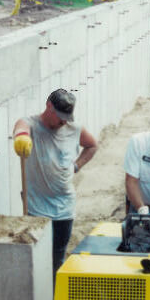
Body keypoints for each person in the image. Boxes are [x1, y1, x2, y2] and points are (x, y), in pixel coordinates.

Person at [13, 89, 97, 275]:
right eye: (60, 117)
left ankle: (52, 299)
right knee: (36, 258)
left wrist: (76, 166)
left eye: (67, 117)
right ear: (49, 106)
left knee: (57, 259)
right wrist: (22, 138)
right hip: (36, 208)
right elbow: (21, 127)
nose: (63, 122)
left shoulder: (74, 129)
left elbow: (92, 145)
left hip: (64, 207)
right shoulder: (32, 124)